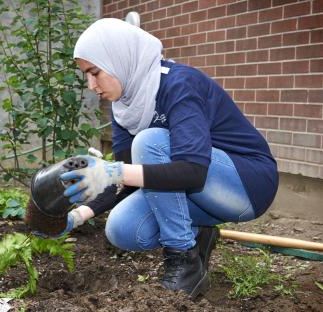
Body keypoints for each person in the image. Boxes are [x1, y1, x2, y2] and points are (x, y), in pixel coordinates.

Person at [55, 19, 278, 298]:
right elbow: (129, 179)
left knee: (150, 141)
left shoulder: (178, 83)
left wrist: (113, 172)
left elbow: (193, 172)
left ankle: (184, 261)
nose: (90, 85)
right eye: (85, 75)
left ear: (118, 58)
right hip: (202, 194)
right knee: (123, 228)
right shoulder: (124, 107)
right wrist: (76, 216)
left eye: (95, 72)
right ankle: (198, 233)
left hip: (247, 183)